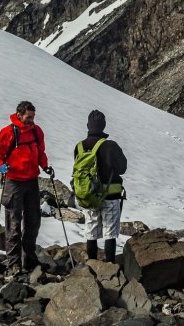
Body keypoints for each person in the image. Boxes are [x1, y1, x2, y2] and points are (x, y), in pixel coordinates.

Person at [0, 100, 54, 275]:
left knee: (33, 221)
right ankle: (13, 263)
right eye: (28, 117)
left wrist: (45, 166)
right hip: (14, 183)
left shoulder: (36, 131)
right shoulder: (8, 132)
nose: (31, 120)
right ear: (19, 115)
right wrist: (1, 166)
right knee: (14, 223)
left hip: (32, 181)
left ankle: (29, 259)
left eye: (33, 117)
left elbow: (40, 152)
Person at [75, 110, 127, 263]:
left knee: (91, 233)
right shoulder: (110, 146)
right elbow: (122, 168)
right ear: (103, 125)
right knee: (110, 233)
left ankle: (91, 268)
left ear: (88, 126)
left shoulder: (79, 147)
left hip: (89, 196)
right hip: (110, 196)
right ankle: (110, 268)